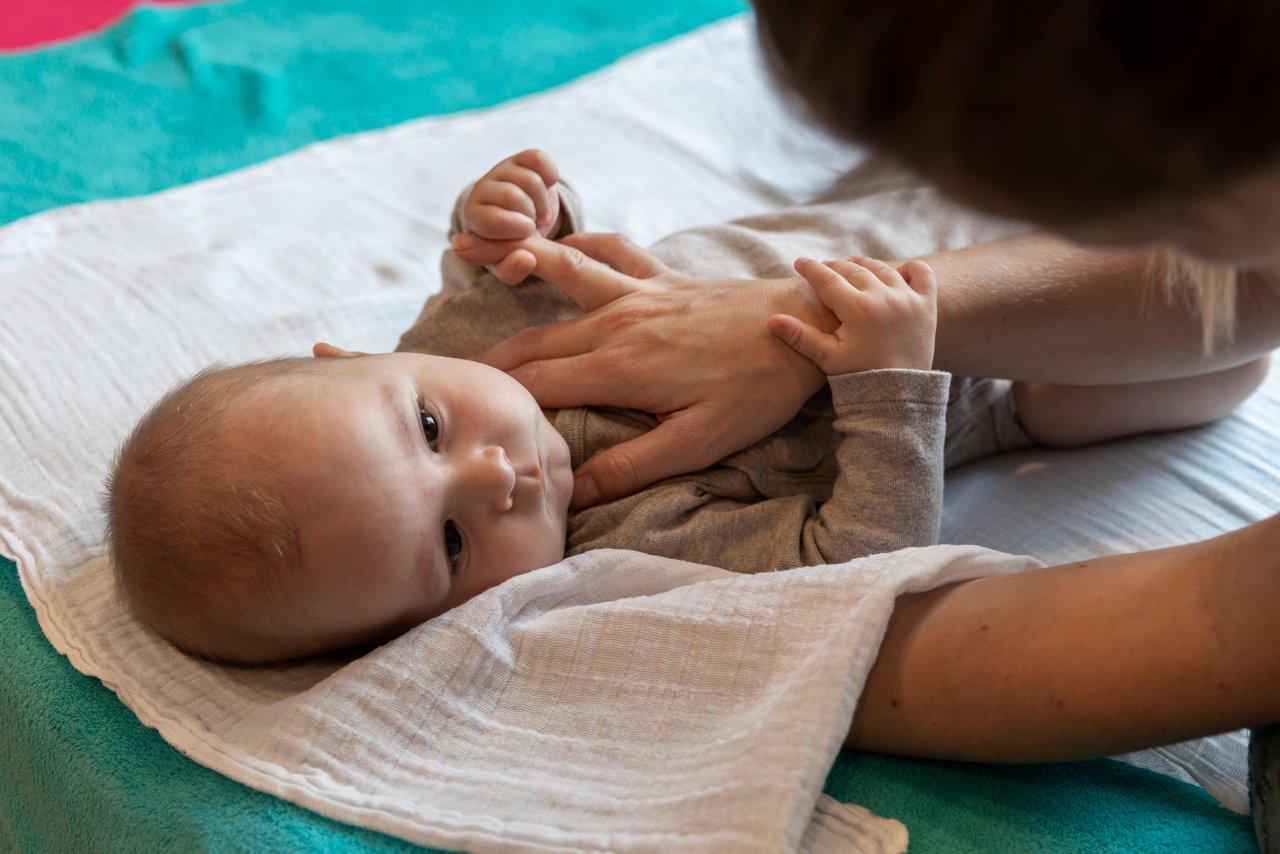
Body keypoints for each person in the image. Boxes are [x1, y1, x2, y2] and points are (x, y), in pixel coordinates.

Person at [105, 150, 1261, 671]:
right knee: (1216, 364)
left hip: (872, 229)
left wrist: (511, 213)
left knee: (1106, 155)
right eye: (452, 544)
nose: (495, 474)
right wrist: (887, 385)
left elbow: (501, 262)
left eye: (425, 430)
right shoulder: (629, 549)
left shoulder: (458, 341)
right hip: (982, 388)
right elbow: (859, 560)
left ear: (352, 354)